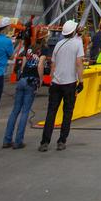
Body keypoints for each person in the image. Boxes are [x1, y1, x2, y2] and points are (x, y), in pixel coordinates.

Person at [39, 19, 84, 152]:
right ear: (74, 31)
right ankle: (61, 141)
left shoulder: (58, 45)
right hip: (69, 83)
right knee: (67, 113)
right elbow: (79, 63)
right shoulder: (77, 44)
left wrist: (51, 80)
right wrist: (81, 81)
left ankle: (44, 142)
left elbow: (53, 65)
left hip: (56, 83)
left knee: (51, 113)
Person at [3, 41, 46, 149]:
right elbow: (40, 67)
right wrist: (41, 80)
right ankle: (18, 141)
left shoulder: (27, 55)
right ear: (39, 50)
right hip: (31, 83)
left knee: (15, 111)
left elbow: (22, 69)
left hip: (22, 81)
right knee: (25, 112)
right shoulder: (41, 56)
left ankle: (7, 140)